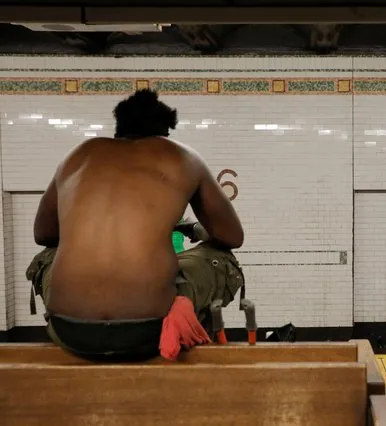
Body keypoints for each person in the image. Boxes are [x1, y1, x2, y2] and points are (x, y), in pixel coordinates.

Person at [27, 89, 245, 361]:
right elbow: (232, 237)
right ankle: (181, 312)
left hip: (69, 329)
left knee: (49, 254)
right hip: (148, 331)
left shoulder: (78, 155)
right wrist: (196, 230)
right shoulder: (183, 157)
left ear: (119, 128)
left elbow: (43, 234)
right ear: (165, 132)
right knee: (220, 257)